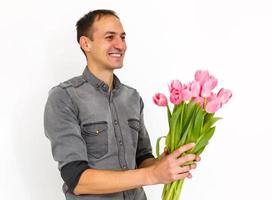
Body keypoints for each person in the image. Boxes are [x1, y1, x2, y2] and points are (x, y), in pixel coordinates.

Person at [44, 9, 200, 200]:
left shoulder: (132, 97)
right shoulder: (64, 97)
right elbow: (77, 179)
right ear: (86, 43)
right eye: (110, 37)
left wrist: (165, 164)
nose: (120, 45)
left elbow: (142, 159)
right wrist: (152, 175)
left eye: (123, 37)